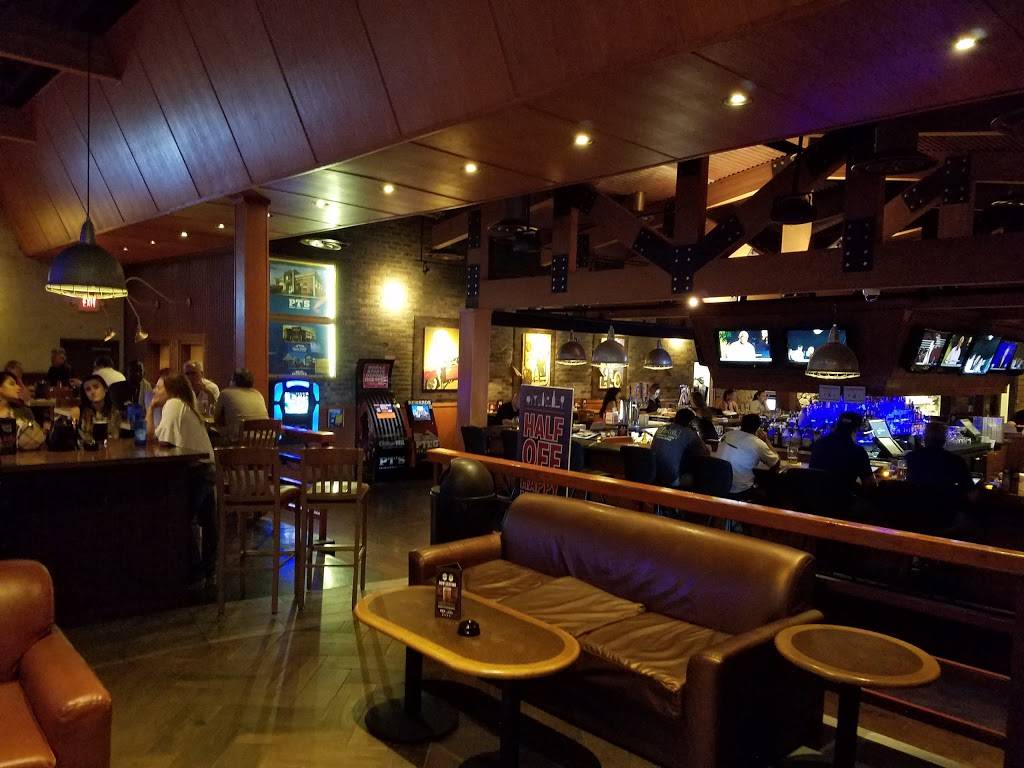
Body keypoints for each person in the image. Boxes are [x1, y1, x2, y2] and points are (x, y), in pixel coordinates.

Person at [147, 374, 216, 585]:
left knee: (177, 518)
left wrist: (150, 409)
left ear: (171, 389)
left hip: (197, 471)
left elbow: (157, 440)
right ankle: (209, 571)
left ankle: (195, 573)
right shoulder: (184, 405)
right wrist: (151, 408)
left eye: (159, 387)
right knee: (207, 522)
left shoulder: (174, 404)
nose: (155, 391)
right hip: (207, 469)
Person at [715, 414, 780, 499]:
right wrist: (766, 440)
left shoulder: (727, 434)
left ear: (741, 424)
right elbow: (776, 462)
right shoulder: (758, 443)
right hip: (740, 491)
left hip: (718, 486)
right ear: (758, 428)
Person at [810, 411, 876, 490]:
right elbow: (870, 485)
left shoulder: (818, 444)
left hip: (816, 495)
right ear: (856, 430)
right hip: (842, 496)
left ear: (837, 425)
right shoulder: (857, 452)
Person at [907, 421, 973, 497]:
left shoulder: (912, 457)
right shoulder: (956, 460)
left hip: (917, 502)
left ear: (924, 439)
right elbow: (971, 491)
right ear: (944, 440)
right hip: (946, 503)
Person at [651, 408, 709, 488]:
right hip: (671, 480)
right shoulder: (689, 433)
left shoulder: (660, 428)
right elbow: (705, 454)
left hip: (652, 476)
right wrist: (695, 433)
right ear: (690, 423)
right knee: (700, 476)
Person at [214, 369, 270, 442]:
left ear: (234, 382)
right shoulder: (258, 394)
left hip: (240, 442)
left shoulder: (225, 393)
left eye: (231, 380)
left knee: (213, 435)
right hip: (265, 441)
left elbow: (216, 417)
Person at [77, 375, 121, 442]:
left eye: (96, 387)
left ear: (105, 389)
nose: (92, 392)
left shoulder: (115, 411)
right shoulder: (81, 411)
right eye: (88, 389)